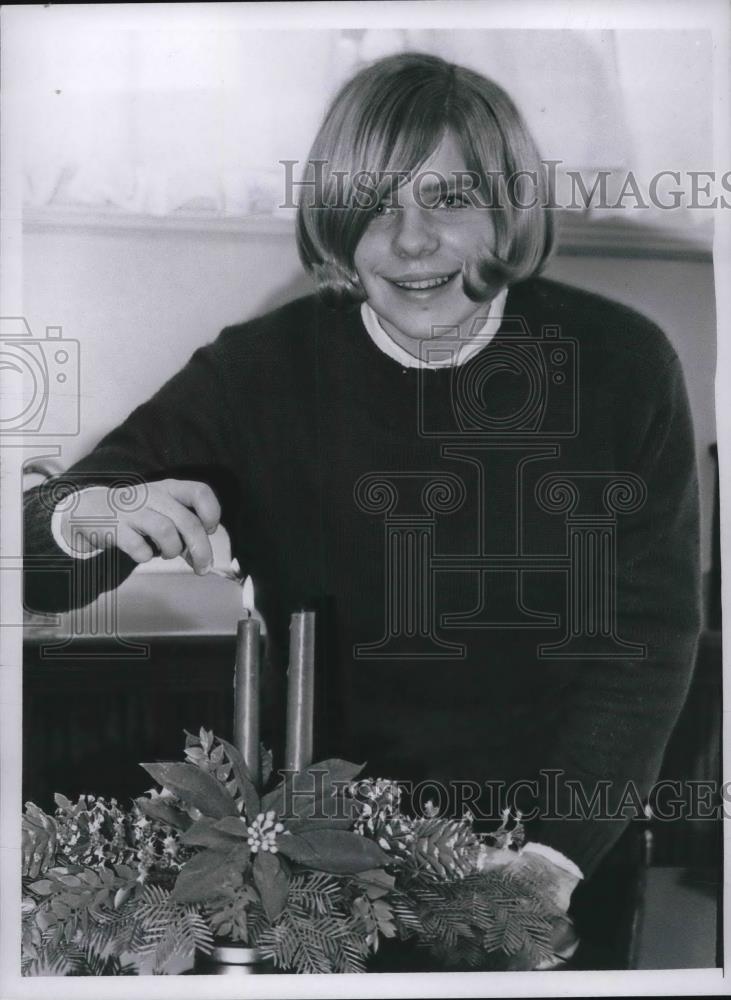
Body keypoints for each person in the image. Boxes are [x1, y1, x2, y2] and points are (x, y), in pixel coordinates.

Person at [23, 52, 700, 963]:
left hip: (555, 854)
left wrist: (544, 864)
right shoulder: (257, 369)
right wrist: (89, 515)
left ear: (508, 208)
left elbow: (647, 647)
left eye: (448, 201)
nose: (409, 242)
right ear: (333, 224)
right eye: (374, 205)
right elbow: (47, 563)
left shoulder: (623, 363)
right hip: (316, 872)